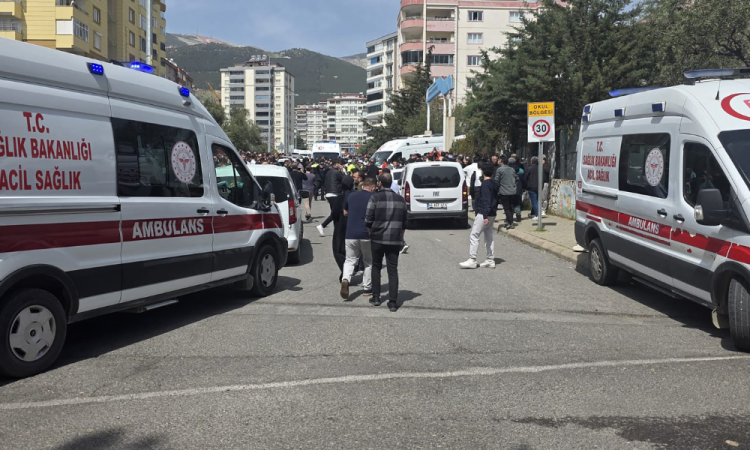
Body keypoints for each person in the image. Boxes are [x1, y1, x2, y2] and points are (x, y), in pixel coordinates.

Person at [365, 173, 408, 312]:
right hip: (394, 239)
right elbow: (404, 222)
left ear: (380, 183)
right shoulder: (400, 200)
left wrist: (370, 231)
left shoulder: (375, 197)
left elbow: (368, 219)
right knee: (393, 270)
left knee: (376, 266)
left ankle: (376, 297)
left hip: (377, 237)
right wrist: (401, 237)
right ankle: (393, 302)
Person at [340, 177, 376, 299]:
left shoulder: (351, 196)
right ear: (372, 188)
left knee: (350, 260)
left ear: (362, 186)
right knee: (368, 261)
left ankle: (345, 279)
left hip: (350, 233)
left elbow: (345, 212)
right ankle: (367, 288)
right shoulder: (373, 198)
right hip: (366, 234)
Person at [460, 163, 499, 269]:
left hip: (484, 213)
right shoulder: (495, 183)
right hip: (492, 212)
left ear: (483, 172)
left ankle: (472, 259)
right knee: (489, 236)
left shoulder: (485, 185)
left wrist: (485, 216)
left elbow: (486, 200)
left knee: (474, 235)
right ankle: (490, 259)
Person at [317, 160, 344, 237]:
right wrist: (342, 170)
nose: (341, 165)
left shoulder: (329, 172)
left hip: (329, 193)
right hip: (334, 193)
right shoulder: (337, 172)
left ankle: (336, 231)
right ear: (336, 164)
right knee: (336, 212)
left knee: (335, 213)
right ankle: (322, 225)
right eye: (340, 164)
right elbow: (345, 179)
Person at [494, 156, 518, 230]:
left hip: (504, 191)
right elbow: (517, 179)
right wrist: (513, 185)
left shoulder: (499, 169)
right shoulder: (512, 169)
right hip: (512, 191)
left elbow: (496, 180)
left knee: (506, 208)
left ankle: (510, 222)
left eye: (499, 160)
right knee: (511, 207)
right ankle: (508, 220)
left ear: (501, 161)